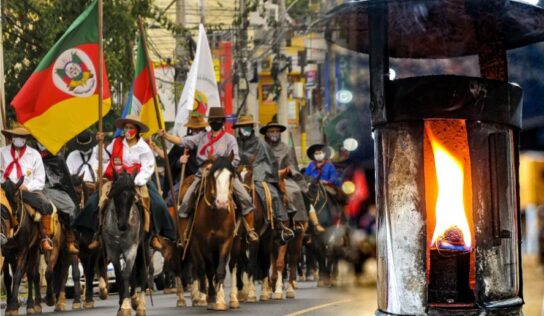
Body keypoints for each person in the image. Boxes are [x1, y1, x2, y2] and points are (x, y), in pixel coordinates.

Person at [159, 107, 259, 246]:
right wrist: (166, 136)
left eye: (218, 120)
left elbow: (235, 159)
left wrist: (221, 165)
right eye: (213, 120)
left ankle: (250, 230)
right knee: (186, 200)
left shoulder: (230, 139)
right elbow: (183, 141)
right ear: (209, 122)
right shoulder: (201, 137)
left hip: (224, 173)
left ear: (223, 121)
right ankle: (184, 233)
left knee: (245, 198)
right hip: (203, 174)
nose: (216, 122)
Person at [74, 115, 176, 250]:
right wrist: (100, 144)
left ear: (137, 130)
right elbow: (103, 159)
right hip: (116, 180)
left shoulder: (144, 148)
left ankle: (155, 235)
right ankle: (95, 234)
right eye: (126, 127)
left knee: (158, 203)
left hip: (138, 181)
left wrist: (136, 181)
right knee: (94, 202)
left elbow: (148, 167)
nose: (128, 130)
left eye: (131, 128)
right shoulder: (116, 143)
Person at [234, 115, 294, 242]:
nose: (245, 129)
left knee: (274, 195)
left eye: (247, 126)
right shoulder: (235, 143)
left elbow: (271, 162)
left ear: (252, 128)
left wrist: (263, 174)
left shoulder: (261, 143)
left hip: (259, 175)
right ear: (238, 129)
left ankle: (280, 226)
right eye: (242, 127)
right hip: (237, 175)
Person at [260, 121, 325, 233]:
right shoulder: (260, 147)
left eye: (276, 131)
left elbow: (292, 165)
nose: (274, 133)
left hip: (284, 178)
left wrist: (288, 171)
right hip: (264, 179)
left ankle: (297, 223)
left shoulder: (286, 148)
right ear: (266, 133)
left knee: (295, 191)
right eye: (271, 131)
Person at [0, 125, 54, 251]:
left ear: (26, 138)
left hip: (26, 190)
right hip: (4, 189)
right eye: (16, 136)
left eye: (21, 136)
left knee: (46, 205)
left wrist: (27, 187)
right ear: (11, 137)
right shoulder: (2, 152)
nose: (18, 138)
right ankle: (2, 233)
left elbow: (40, 179)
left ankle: (44, 238)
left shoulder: (34, 155)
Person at [148, 113, 204, 205]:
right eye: (195, 128)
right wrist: (179, 161)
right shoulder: (185, 141)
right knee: (171, 197)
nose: (197, 131)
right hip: (189, 178)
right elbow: (170, 158)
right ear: (191, 128)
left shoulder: (209, 140)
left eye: (199, 128)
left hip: (207, 177)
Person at [37, 142, 80, 254]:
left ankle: (70, 240)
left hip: (54, 190)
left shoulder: (58, 159)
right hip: (34, 188)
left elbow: (66, 181)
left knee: (70, 207)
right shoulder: (32, 155)